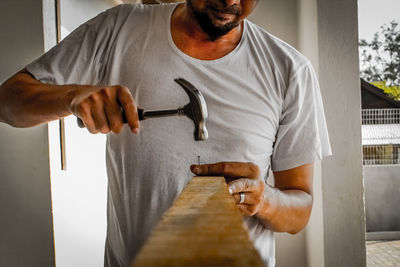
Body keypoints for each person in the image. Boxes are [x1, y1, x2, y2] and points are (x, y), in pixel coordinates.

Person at [0, 0, 331, 266]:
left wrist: (264, 199)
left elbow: (299, 208)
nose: (231, 1)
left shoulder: (290, 70)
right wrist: (70, 97)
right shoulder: (120, 27)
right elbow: (8, 101)